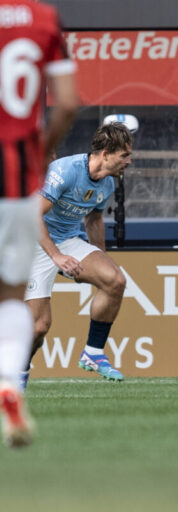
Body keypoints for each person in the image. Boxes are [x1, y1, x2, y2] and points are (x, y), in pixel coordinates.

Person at [0, 0, 78, 448]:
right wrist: (38, 153)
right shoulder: (43, 18)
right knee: (11, 296)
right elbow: (67, 102)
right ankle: (9, 387)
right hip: (14, 179)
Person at [24, 123, 132, 384]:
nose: (129, 161)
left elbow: (94, 221)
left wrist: (100, 257)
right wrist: (56, 256)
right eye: (125, 155)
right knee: (38, 328)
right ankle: (18, 372)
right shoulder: (65, 171)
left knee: (115, 281)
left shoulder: (107, 184)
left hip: (69, 240)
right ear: (105, 153)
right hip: (34, 242)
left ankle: (93, 353)